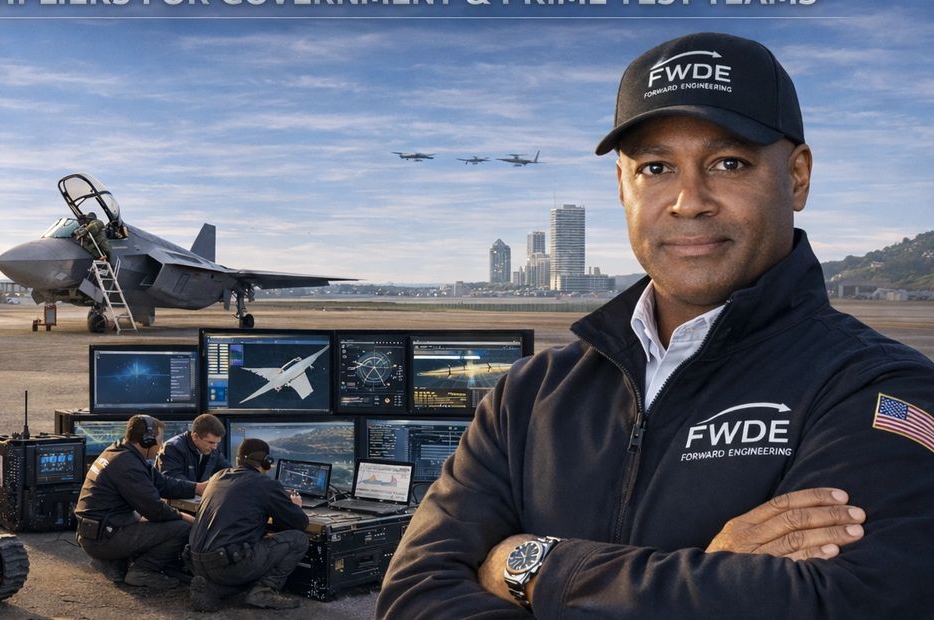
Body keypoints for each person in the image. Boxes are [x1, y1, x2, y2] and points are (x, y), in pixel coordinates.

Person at [377, 32, 934, 619]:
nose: (688, 200)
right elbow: (414, 596)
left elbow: (844, 605)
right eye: (656, 167)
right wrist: (712, 583)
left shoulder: (876, 387)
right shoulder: (528, 394)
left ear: (796, 177)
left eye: (729, 162)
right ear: (622, 185)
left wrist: (533, 565)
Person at [74, 415, 208, 589]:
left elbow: (161, 482)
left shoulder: (120, 452)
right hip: (103, 538)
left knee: (156, 522)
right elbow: (154, 509)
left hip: (98, 531)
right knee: (181, 529)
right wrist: (184, 516)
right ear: (146, 440)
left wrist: (197, 488)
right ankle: (143, 571)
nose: (160, 446)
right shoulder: (127, 465)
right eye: (159, 440)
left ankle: (114, 562)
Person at [187, 438, 308, 612]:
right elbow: (300, 523)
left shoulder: (218, 477)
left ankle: (214, 588)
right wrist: (294, 506)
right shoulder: (266, 484)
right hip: (229, 565)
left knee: (242, 550)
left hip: (196, 562)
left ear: (238, 460)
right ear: (267, 462)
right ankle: (263, 590)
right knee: (299, 540)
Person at [156, 413, 231, 484]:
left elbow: (228, 472)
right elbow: (172, 481)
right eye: (211, 442)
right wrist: (198, 488)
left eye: (217, 443)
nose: (214, 447)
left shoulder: (214, 451)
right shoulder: (172, 448)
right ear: (195, 436)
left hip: (198, 496)